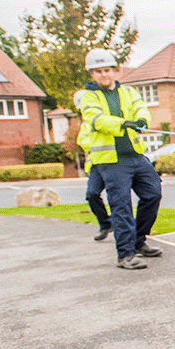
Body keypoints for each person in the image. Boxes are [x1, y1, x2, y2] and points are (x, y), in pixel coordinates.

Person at [78, 49, 163, 269]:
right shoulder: (89, 97)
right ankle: (125, 254)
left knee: (153, 193)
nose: (104, 75)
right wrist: (122, 123)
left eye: (107, 70)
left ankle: (138, 240)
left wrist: (142, 119)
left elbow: (140, 107)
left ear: (115, 70)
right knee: (121, 205)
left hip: (135, 154)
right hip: (111, 160)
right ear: (91, 73)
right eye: (98, 71)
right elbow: (95, 119)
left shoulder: (128, 92)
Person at [74, 89, 112, 241]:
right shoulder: (86, 124)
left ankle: (125, 228)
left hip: (112, 161)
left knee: (117, 197)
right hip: (96, 164)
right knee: (92, 194)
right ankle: (105, 224)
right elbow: (82, 141)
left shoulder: (106, 117)